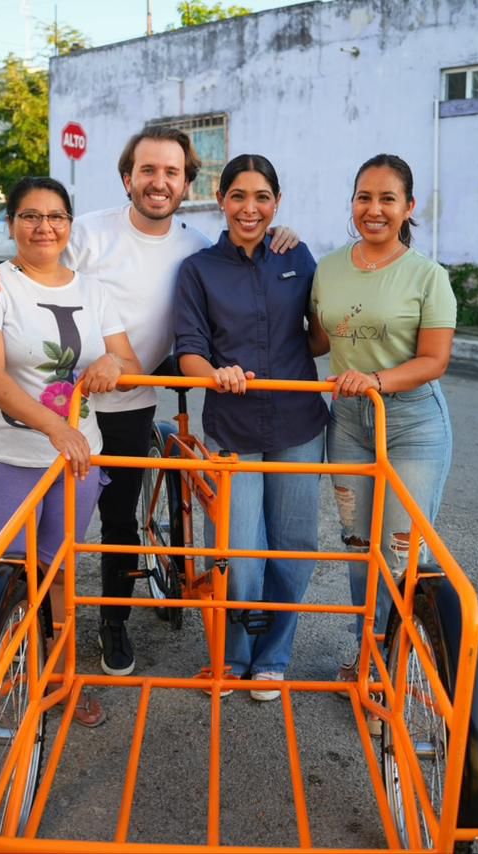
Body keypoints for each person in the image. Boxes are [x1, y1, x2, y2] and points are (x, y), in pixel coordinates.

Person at [0, 127, 297, 679]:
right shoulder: (87, 232)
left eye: (171, 172)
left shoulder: (196, 245)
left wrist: (282, 232)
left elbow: (245, 248)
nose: (159, 182)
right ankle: (24, 642)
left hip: (131, 392)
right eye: (147, 170)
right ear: (127, 178)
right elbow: (33, 261)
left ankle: (113, 622)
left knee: (119, 522)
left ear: (187, 184)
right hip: (61, 404)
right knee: (45, 542)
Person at [0, 176, 143, 727]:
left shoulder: (94, 291)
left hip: (76, 463)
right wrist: (56, 429)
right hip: (11, 459)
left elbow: (130, 364)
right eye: (31, 216)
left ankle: (62, 680)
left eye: (56, 216)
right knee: (9, 580)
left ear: (69, 224)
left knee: (60, 575)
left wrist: (113, 363)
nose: (44, 227)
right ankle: (4, 686)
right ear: (11, 224)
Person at [172, 154, 327, 700]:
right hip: (232, 425)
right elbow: (189, 352)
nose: (250, 208)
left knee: (293, 547)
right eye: (238, 196)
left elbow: (319, 336)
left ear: (277, 203)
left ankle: (273, 658)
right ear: (221, 200)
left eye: (262, 197)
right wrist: (215, 374)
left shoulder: (296, 255)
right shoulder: (198, 270)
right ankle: (234, 656)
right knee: (237, 554)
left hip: (298, 423)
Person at [307, 153, 457, 683]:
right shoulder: (327, 268)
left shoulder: (427, 276)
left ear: (408, 207)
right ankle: (368, 656)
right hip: (349, 421)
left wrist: (375, 379)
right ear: (352, 203)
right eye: (364, 198)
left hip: (412, 422)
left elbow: (434, 360)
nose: (374, 209)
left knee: (399, 550)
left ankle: (399, 661)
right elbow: (317, 340)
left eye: (387, 199)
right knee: (357, 547)